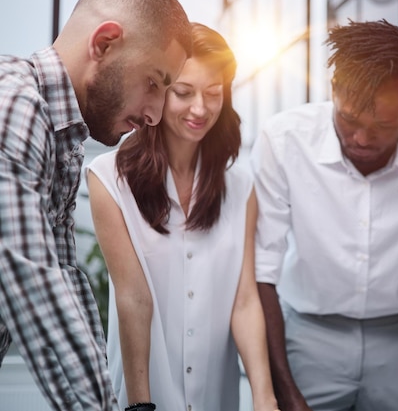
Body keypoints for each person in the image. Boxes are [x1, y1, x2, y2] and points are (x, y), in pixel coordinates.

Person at [251, 19, 398, 411]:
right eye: (349, 119)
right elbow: (262, 271)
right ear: (333, 91)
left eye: (385, 125)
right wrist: (284, 391)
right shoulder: (283, 140)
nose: (363, 139)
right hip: (308, 335)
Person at [0, 0, 191, 410]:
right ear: (104, 44)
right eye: (154, 83)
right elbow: (30, 279)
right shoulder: (14, 103)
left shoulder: (62, 136)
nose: (157, 114)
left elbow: (65, 275)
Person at [86, 23, 279, 411]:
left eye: (213, 93)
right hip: (143, 392)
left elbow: (243, 301)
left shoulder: (240, 187)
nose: (200, 109)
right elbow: (132, 297)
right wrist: (141, 405)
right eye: (184, 93)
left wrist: (264, 395)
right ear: (157, 91)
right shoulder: (109, 179)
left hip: (216, 395)